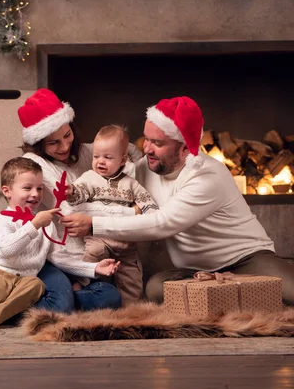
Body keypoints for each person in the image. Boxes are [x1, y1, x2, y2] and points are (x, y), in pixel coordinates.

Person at [60, 95, 294, 305]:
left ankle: (239, 290)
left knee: (290, 294)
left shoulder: (207, 175)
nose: (147, 148)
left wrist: (93, 224)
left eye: (158, 143)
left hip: (245, 260)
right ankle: (236, 295)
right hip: (193, 272)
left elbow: (163, 223)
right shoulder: (144, 168)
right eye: (147, 139)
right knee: (154, 290)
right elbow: (109, 178)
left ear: (184, 149)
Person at [0, 157, 120, 331]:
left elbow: (58, 258)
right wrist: (33, 226)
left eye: (39, 188)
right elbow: (8, 250)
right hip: (0, 273)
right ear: (7, 191)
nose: (35, 194)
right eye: (27, 188)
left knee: (35, 285)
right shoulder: (3, 220)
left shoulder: (45, 224)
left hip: (26, 279)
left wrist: (93, 268)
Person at [17, 88, 143, 312]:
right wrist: (131, 212)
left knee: (110, 298)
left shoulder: (85, 152)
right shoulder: (35, 164)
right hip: (62, 256)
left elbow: (129, 148)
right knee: (81, 303)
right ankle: (41, 299)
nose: (65, 146)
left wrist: (130, 176)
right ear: (39, 144)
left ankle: (66, 297)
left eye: (67, 135)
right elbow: (72, 214)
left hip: (97, 254)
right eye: (53, 143)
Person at [65, 124, 158, 305]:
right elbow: (79, 195)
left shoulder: (131, 184)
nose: (100, 161)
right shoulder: (90, 177)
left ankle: (130, 309)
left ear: (123, 160)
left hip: (126, 243)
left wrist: (151, 217)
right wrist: (71, 192)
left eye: (107, 157)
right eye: (96, 156)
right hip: (100, 238)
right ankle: (80, 284)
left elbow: (148, 205)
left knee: (132, 277)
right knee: (94, 252)